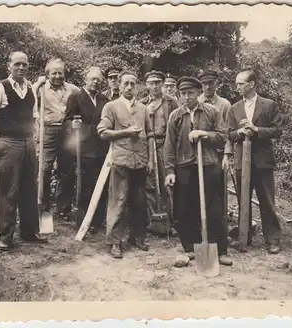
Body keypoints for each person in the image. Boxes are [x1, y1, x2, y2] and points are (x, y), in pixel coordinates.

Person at [0, 51, 47, 250]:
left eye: (24, 64)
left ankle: (29, 232)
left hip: (28, 143)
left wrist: (33, 139)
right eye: (17, 64)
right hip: (9, 144)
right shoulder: (0, 87)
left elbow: (33, 116)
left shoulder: (30, 88)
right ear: (9, 65)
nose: (21, 68)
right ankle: (4, 237)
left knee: (29, 188)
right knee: (9, 190)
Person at [164, 76, 232, 266]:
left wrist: (204, 134)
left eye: (191, 93)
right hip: (184, 165)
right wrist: (170, 170)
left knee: (214, 208)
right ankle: (191, 247)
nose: (187, 97)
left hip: (209, 164)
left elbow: (222, 136)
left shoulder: (212, 111)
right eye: (183, 93)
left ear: (198, 93)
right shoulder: (175, 116)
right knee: (186, 208)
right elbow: (169, 147)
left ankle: (220, 249)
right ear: (179, 95)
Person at [97, 71, 155, 259]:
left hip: (140, 160)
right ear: (119, 86)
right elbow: (103, 133)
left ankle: (137, 237)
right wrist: (126, 132)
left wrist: (151, 160)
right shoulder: (111, 107)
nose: (129, 87)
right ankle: (114, 241)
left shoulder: (143, 109)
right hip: (121, 160)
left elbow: (150, 134)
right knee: (118, 201)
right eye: (126, 84)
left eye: (133, 83)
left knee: (139, 201)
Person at [227, 70, 283, 254]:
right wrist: (240, 133)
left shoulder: (269, 105)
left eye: (240, 84)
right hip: (241, 161)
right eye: (236, 84)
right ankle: (245, 237)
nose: (237, 87)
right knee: (243, 200)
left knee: (266, 201)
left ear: (251, 84)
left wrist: (256, 129)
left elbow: (277, 130)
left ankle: (272, 240)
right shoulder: (234, 108)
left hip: (263, 161)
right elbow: (229, 133)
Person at [62, 67, 110, 231]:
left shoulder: (104, 99)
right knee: (86, 184)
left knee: (102, 183)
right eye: (92, 78)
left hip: (102, 146)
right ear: (85, 79)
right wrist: (73, 126)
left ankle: (98, 220)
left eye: (98, 79)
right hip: (85, 146)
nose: (95, 82)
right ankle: (83, 220)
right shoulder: (75, 97)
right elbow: (67, 120)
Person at [32, 58, 80, 221]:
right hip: (48, 130)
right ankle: (43, 205)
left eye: (60, 72)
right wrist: (37, 84)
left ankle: (62, 209)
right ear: (47, 74)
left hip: (67, 130)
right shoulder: (40, 89)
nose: (58, 76)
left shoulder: (73, 90)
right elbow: (28, 97)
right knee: (44, 168)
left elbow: (84, 101)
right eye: (54, 73)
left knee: (66, 170)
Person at [139, 70, 178, 236]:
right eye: (151, 83)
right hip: (148, 145)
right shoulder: (142, 104)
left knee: (168, 183)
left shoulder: (171, 102)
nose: (154, 86)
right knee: (149, 184)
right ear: (146, 85)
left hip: (166, 145)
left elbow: (177, 125)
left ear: (162, 84)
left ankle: (171, 221)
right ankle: (152, 220)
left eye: (157, 82)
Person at [198, 70, 233, 236]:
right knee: (199, 190)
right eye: (204, 84)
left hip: (218, 154)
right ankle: (201, 229)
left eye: (210, 83)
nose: (207, 87)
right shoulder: (196, 102)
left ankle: (219, 231)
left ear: (216, 84)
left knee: (218, 194)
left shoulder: (224, 104)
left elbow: (228, 132)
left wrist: (227, 155)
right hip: (199, 154)